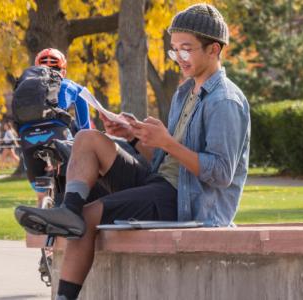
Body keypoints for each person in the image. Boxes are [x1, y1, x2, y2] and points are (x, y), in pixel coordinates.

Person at [15, 4, 250, 299]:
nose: (179, 58)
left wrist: (166, 141)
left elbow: (220, 174)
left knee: (87, 218)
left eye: (186, 50)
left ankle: (65, 289)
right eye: (174, 50)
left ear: (214, 49)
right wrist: (136, 138)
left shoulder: (225, 101)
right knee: (88, 138)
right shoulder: (184, 93)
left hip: (188, 202)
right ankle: (67, 210)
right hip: (161, 185)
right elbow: (164, 163)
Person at [19, 48, 92, 206]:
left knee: (40, 198)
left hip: (27, 137)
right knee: (70, 190)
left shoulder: (25, 86)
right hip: (58, 134)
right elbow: (85, 127)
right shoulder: (70, 85)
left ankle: (41, 210)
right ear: (63, 71)